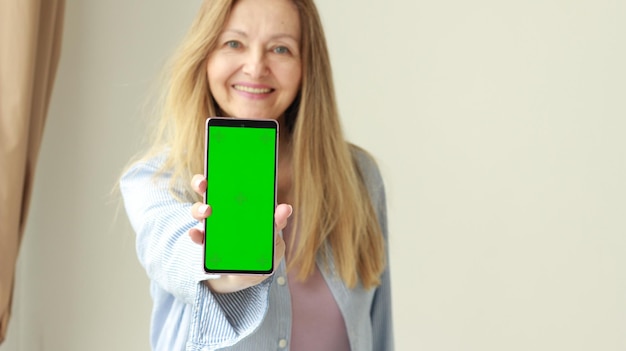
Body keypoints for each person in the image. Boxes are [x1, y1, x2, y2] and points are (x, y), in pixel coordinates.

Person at [119, 0, 393, 350]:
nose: (255, 67)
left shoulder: (359, 178)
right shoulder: (156, 180)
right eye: (234, 43)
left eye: (281, 48)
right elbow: (172, 252)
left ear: (306, 66)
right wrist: (228, 272)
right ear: (206, 54)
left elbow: (380, 329)